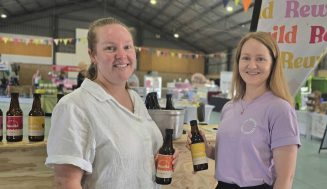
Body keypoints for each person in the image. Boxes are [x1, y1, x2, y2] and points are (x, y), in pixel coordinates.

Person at [45, 17, 178, 189]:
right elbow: (66, 183)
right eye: (110, 48)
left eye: (127, 47)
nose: (122, 55)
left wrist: (162, 158)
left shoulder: (135, 99)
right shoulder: (74, 107)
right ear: (93, 55)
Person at [187, 32, 301, 189]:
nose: (252, 65)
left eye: (260, 59)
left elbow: (285, 177)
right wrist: (208, 150)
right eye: (246, 58)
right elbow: (236, 156)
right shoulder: (229, 107)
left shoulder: (279, 109)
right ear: (238, 62)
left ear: (273, 64)